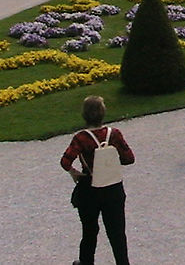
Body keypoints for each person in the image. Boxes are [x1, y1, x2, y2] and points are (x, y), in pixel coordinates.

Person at [61, 95, 135, 265]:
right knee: (117, 233)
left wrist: (74, 172)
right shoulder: (114, 134)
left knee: (89, 231)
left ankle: (86, 262)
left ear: (84, 115)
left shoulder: (80, 138)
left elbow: (65, 161)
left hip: (89, 189)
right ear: (103, 113)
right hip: (113, 188)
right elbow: (129, 158)